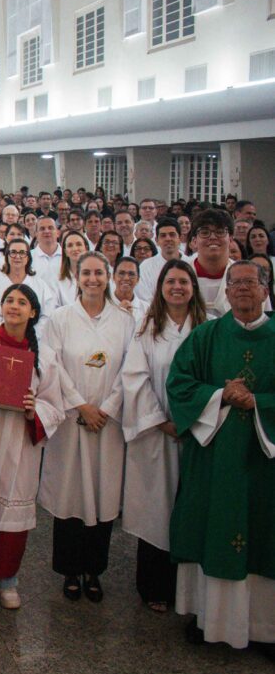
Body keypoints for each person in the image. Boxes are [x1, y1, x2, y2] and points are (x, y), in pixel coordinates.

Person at [167, 260, 275, 655]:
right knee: (213, 527)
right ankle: (209, 619)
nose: (244, 289)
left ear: (266, 290)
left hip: (265, 464)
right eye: (236, 283)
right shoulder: (206, 336)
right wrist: (219, 395)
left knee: (265, 534)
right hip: (215, 460)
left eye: (252, 282)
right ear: (225, 292)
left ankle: (265, 628)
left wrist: (258, 401)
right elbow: (178, 384)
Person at [0, 284, 64, 610]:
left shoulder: (44, 356)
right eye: (9, 301)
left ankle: (6, 579)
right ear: (0, 307)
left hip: (20, 441)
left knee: (10, 510)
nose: (14, 306)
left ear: (33, 312)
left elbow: (55, 404)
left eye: (22, 302)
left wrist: (36, 410)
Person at [39, 252, 134, 603]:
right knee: (71, 495)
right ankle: (69, 570)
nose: (93, 279)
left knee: (102, 493)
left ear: (108, 277)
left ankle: (95, 569)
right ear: (76, 278)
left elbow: (130, 368)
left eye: (99, 272)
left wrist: (106, 408)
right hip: (72, 420)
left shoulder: (123, 320)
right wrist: (81, 405)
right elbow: (52, 365)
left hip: (107, 424)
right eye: (86, 273)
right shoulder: (61, 318)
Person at [121, 259, 206, 613]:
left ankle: (190, 589)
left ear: (193, 288)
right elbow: (135, 378)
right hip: (157, 433)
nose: (176, 287)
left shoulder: (207, 327)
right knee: (156, 510)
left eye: (183, 282)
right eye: (170, 281)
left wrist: (191, 421)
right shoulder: (147, 329)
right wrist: (161, 421)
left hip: (198, 435)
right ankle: (153, 585)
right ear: (160, 288)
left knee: (190, 508)